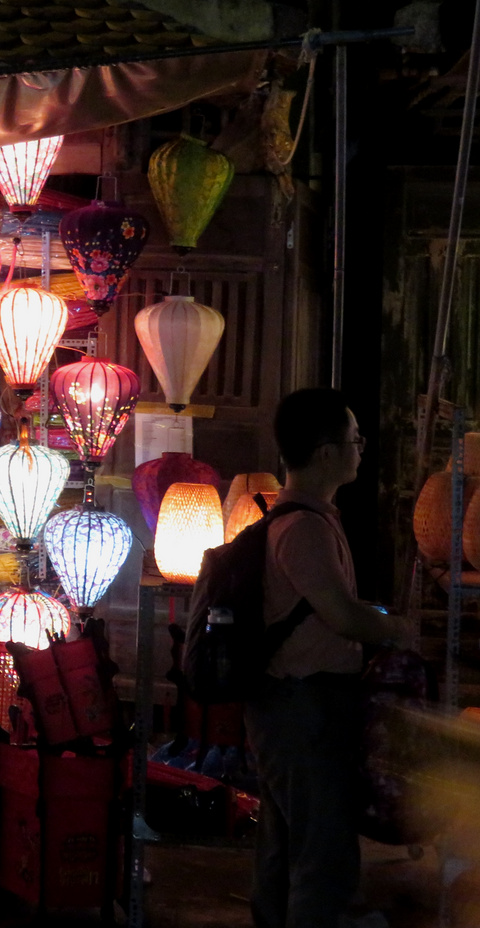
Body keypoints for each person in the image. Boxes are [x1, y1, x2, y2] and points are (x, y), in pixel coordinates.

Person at [248, 388, 417, 928]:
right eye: (354, 440)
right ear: (326, 453)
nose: (360, 449)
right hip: (303, 708)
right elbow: (342, 616)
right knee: (322, 858)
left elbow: (330, 608)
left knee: (285, 849)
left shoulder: (310, 520)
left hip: (295, 705)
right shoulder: (304, 528)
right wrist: (397, 631)